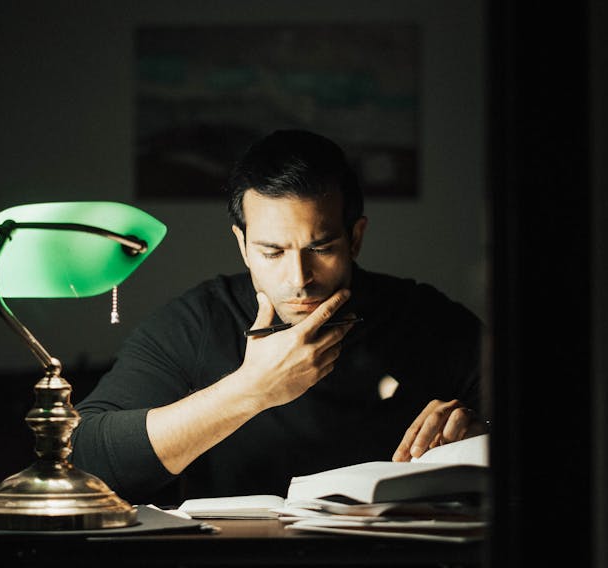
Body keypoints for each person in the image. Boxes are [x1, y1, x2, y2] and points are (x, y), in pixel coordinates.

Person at [71, 129, 485, 505]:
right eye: (272, 252)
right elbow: (82, 458)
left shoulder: (425, 317)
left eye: (320, 249)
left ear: (355, 238)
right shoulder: (199, 321)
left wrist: (479, 433)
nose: (299, 279)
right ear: (243, 245)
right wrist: (251, 390)